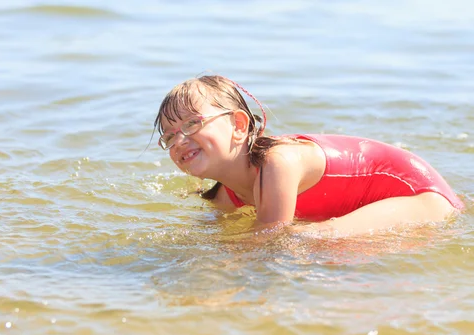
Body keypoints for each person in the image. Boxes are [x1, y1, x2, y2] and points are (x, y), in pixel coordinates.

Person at [152, 75, 464, 236]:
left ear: (238, 125)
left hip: (422, 197)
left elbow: (269, 241)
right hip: (378, 202)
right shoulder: (225, 195)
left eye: (192, 123)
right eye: (169, 136)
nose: (180, 140)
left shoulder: (279, 161)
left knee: (310, 239)